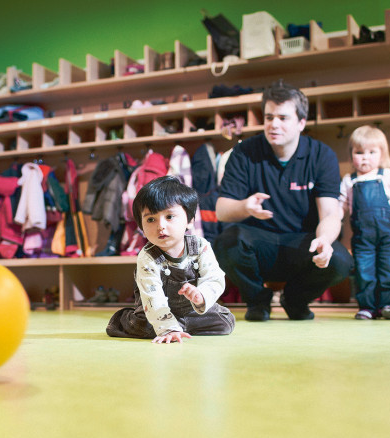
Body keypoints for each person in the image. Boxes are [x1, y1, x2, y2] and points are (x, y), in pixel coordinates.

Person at [213, 80, 353, 321]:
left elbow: (330, 213)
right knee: (225, 243)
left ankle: (295, 299)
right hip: (258, 246)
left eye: (283, 118)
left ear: (301, 122)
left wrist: (325, 240)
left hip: (302, 246)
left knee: (340, 260)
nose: (273, 124)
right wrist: (245, 206)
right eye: (268, 117)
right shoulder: (244, 152)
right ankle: (258, 302)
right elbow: (221, 211)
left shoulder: (321, 155)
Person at [106, 175, 235, 343]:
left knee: (225, 322)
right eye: (151, 219)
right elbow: (153, 298)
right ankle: (156, 325)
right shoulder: (147, 257)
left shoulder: (200, 246)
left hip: (193, 311)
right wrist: (167, 329)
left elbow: (214, 277)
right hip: (155, 310)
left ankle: (181, 326)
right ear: (141, 227)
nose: (161, 226)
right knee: (139, 324)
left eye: (169, 217)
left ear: (189, 220)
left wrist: (200, 295)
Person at [340, 125, 390, 320]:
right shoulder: (349, 180)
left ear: (382, 154)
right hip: (363, 238)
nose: (365, 157)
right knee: (364, 271)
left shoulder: (387, 176)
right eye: (359, 152)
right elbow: (341, 206)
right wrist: (333, 219)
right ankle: (367, 307)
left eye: (372, 152)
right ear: (352, 155)